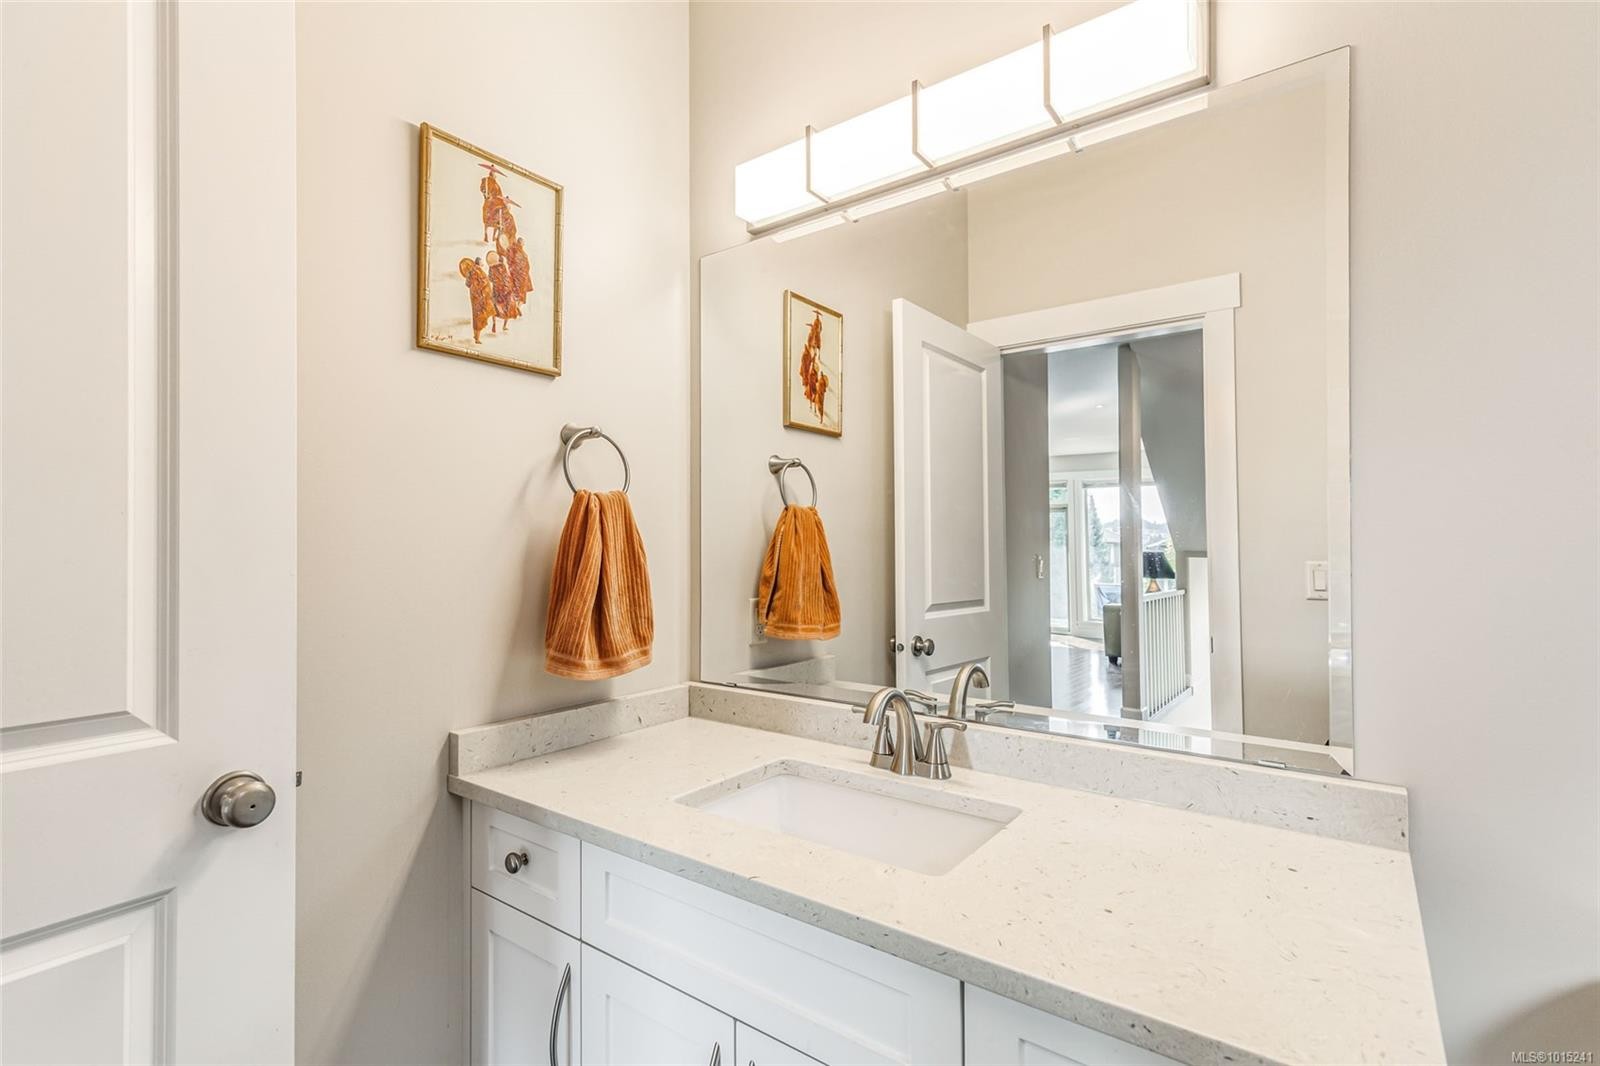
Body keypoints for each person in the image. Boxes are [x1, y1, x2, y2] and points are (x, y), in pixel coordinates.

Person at [459, 257, 492, 344]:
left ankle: (475, 335)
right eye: (481, 262)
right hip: (479, 297)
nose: (483, 263)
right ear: (478, 263)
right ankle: (477, 338)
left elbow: (468, 284)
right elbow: (475, 283)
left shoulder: (474, 271)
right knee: (479, 316)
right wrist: (481, 289)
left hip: (478, 297)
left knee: (476, 315)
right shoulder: (476, 271)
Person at [486, 250, 520, 334]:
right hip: (505, 290)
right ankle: (504, 326)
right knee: (507, 308)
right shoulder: (503, 267)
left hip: (497, 290)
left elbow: (490, 278)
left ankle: (494, 324)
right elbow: (507, 277)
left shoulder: (491, 268)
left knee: (495, 308)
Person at [508, 236, 534, 305]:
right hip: (520, 274)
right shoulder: (516, 250)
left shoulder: (518, 250)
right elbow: (516, 261)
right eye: (523, 242)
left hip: (522, 273)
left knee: (520, 290)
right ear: (520, 243)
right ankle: (518, 305)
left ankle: (518, 305)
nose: (523, 244)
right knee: (520, 290)